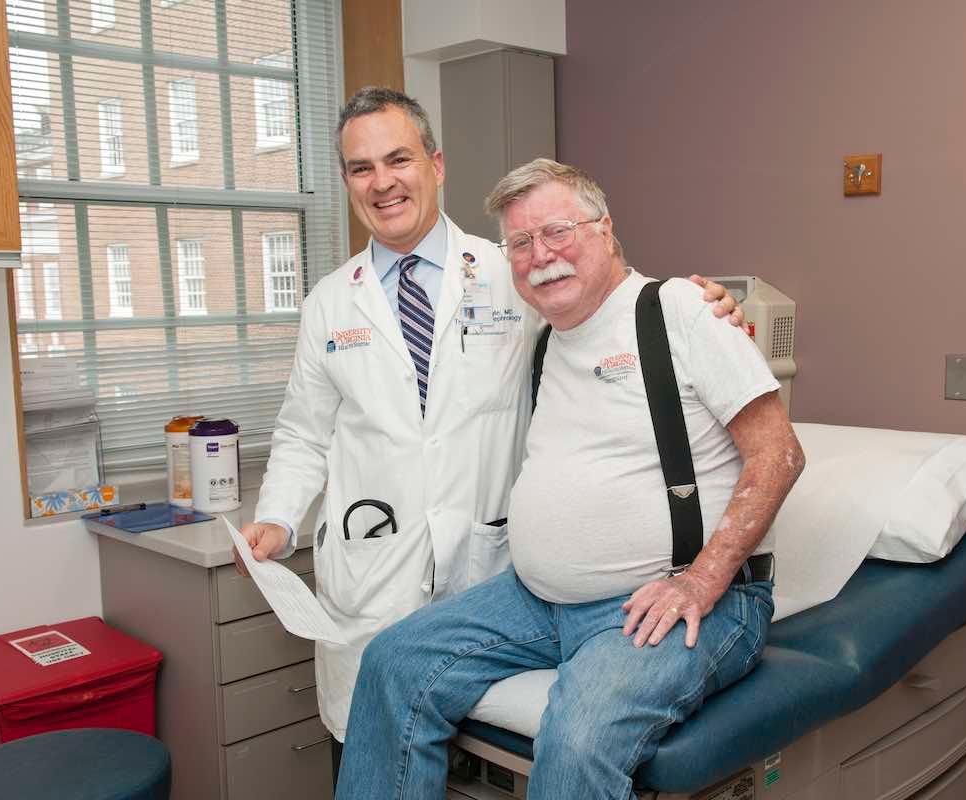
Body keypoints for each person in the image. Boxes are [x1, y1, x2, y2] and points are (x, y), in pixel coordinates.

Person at [232, 88, 743, 770]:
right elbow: (303, 432)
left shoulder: (512, 269)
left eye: (398, 159)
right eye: (361, 168)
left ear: (436, 165)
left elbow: (610, 305)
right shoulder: (329, 302)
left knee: (479, 769)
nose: (382, 182)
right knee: (376, 740)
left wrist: (703, 309)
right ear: (347, 181)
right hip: (373, 568)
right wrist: (277, 519)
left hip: (486, 564)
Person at [334, 159, 805, 800]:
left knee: (579, 737)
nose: (541, 256)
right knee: (393, 662)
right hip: (536, 601)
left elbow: (779, 454)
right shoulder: (544, 340)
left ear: (605, 230)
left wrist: (701, 580)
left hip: (676, 599)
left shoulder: (679, 311)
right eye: (520, 243)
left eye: (557, 231)